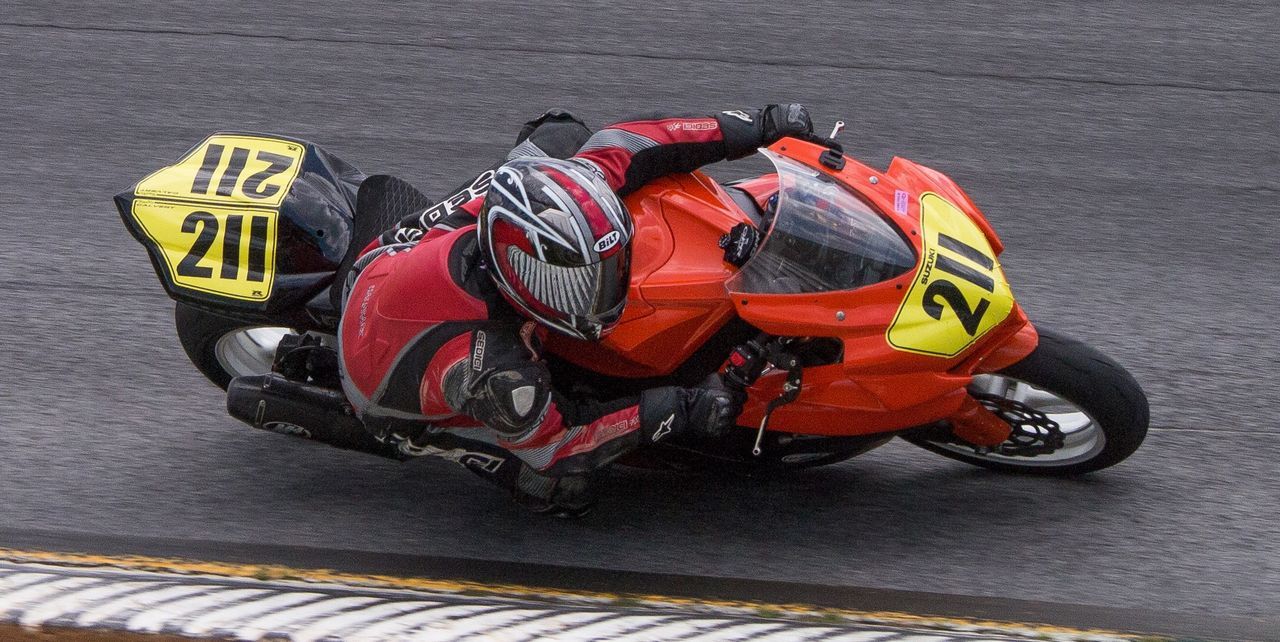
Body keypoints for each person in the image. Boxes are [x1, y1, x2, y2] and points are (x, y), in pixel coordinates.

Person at [337, 104, 814, 515]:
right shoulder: (495, 367)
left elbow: (633, 141)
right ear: (523, 276)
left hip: (397, 252)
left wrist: (759, 125)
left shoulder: (518, 216)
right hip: (378, 382)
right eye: (580, 282)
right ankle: (459, 448)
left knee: (562, 131)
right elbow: (562, 444)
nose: (602, 293)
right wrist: (677, 408)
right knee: (560, 484)